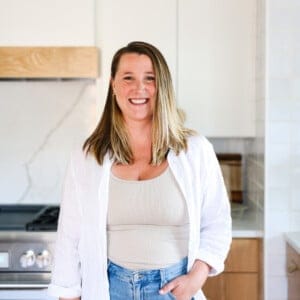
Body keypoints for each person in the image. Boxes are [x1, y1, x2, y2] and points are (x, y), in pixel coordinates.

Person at [48, 41, 232, 300]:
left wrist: (196, 277)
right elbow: (70, 234)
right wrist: (68, 296)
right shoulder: (88, 156)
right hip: (107, 290)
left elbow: (217, 222)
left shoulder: (194, 150)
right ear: (113, 85)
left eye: (150, 78)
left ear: (163, 86)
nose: (139, 88)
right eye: (128, 78)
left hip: (173, 290)